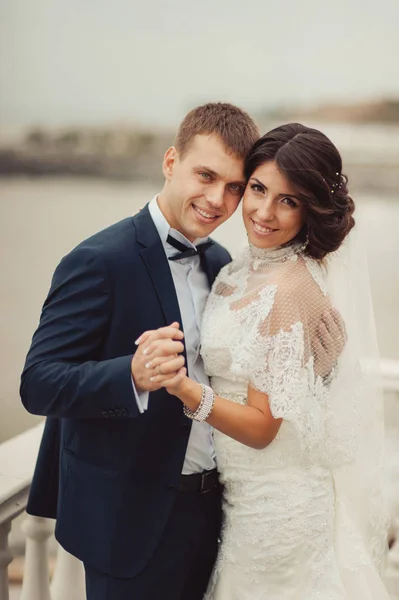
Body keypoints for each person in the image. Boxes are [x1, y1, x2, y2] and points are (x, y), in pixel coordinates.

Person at [21, 106, 343, 600]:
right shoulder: (99, 260)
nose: (218, 200)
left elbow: (251, 367)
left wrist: (318, 362)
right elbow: (39, 382)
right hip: (128, 523)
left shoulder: (224, 265)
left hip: (221, 516)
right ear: (171, 161)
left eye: (236, 186)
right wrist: (129, 374)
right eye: (206, 175)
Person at [153, 123, 390, 599]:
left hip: (277, 512)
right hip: (242, 500)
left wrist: (184, 389)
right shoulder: (244, 267)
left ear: (312, 210)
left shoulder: (288, 288)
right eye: (258, 189)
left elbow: (263, 428)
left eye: (288, 200)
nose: (263, 212)